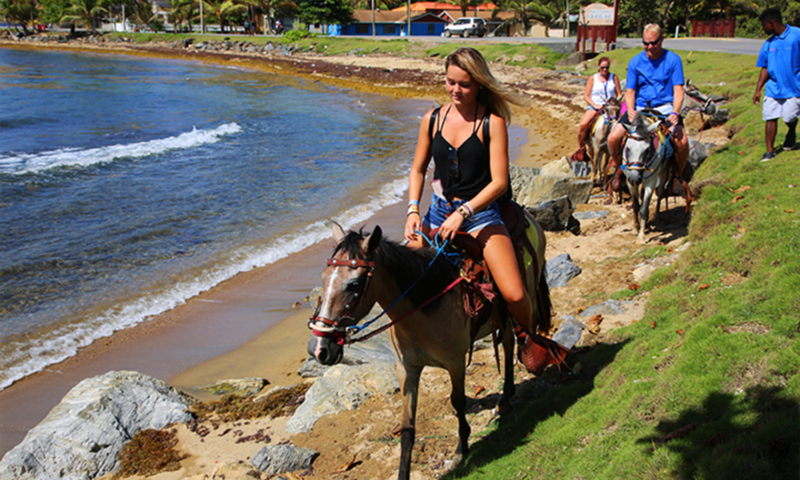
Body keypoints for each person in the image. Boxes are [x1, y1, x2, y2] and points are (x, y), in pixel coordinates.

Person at [404, 48, 538, 338]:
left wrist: (463, 213)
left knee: (514, 293)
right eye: (450, 82)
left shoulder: (493, 123)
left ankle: (529, 337)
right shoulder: (432, 119)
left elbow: (499, 183)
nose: (456, 90)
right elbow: (417, 170)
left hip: (480, 216)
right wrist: (413, 209)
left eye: (464, 84)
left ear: (479, 84)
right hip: (437, 211)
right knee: (401, 282)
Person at [608, 23, 689, 176]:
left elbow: (678, 90)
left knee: (682, 142)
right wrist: (631, 110)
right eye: (646, 43)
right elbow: (630, 91)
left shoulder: (673, 60)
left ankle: (679, 174)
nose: (650, 47)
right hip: (640, 108)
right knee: (612, 138)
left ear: (662, 39)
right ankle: (620, 169)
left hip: (664, 107)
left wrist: (676, 112)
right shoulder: (635, 62)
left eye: (654, 43)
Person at [753, 7, 800, 162]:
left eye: (764, 25)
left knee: (789, 117)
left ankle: (791, 131)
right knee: (770, 117)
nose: (763, 29)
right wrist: (758, 89)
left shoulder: (796, 35)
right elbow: (765, 67)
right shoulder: (768, 44)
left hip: (794, 87)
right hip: (773, 88)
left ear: (771, 23)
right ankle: (770, 151)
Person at [577, 56, 622, 148]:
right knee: (583, 125)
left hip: (611, 107)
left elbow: (619, 93)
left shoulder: (614, 77)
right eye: (602, 67)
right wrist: (594, 104)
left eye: (607, 67)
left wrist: (617, 102)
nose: (605, 70)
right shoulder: (593, 78)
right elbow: (586, 96)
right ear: (598, 67)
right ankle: (580, 149)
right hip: (596, 106)